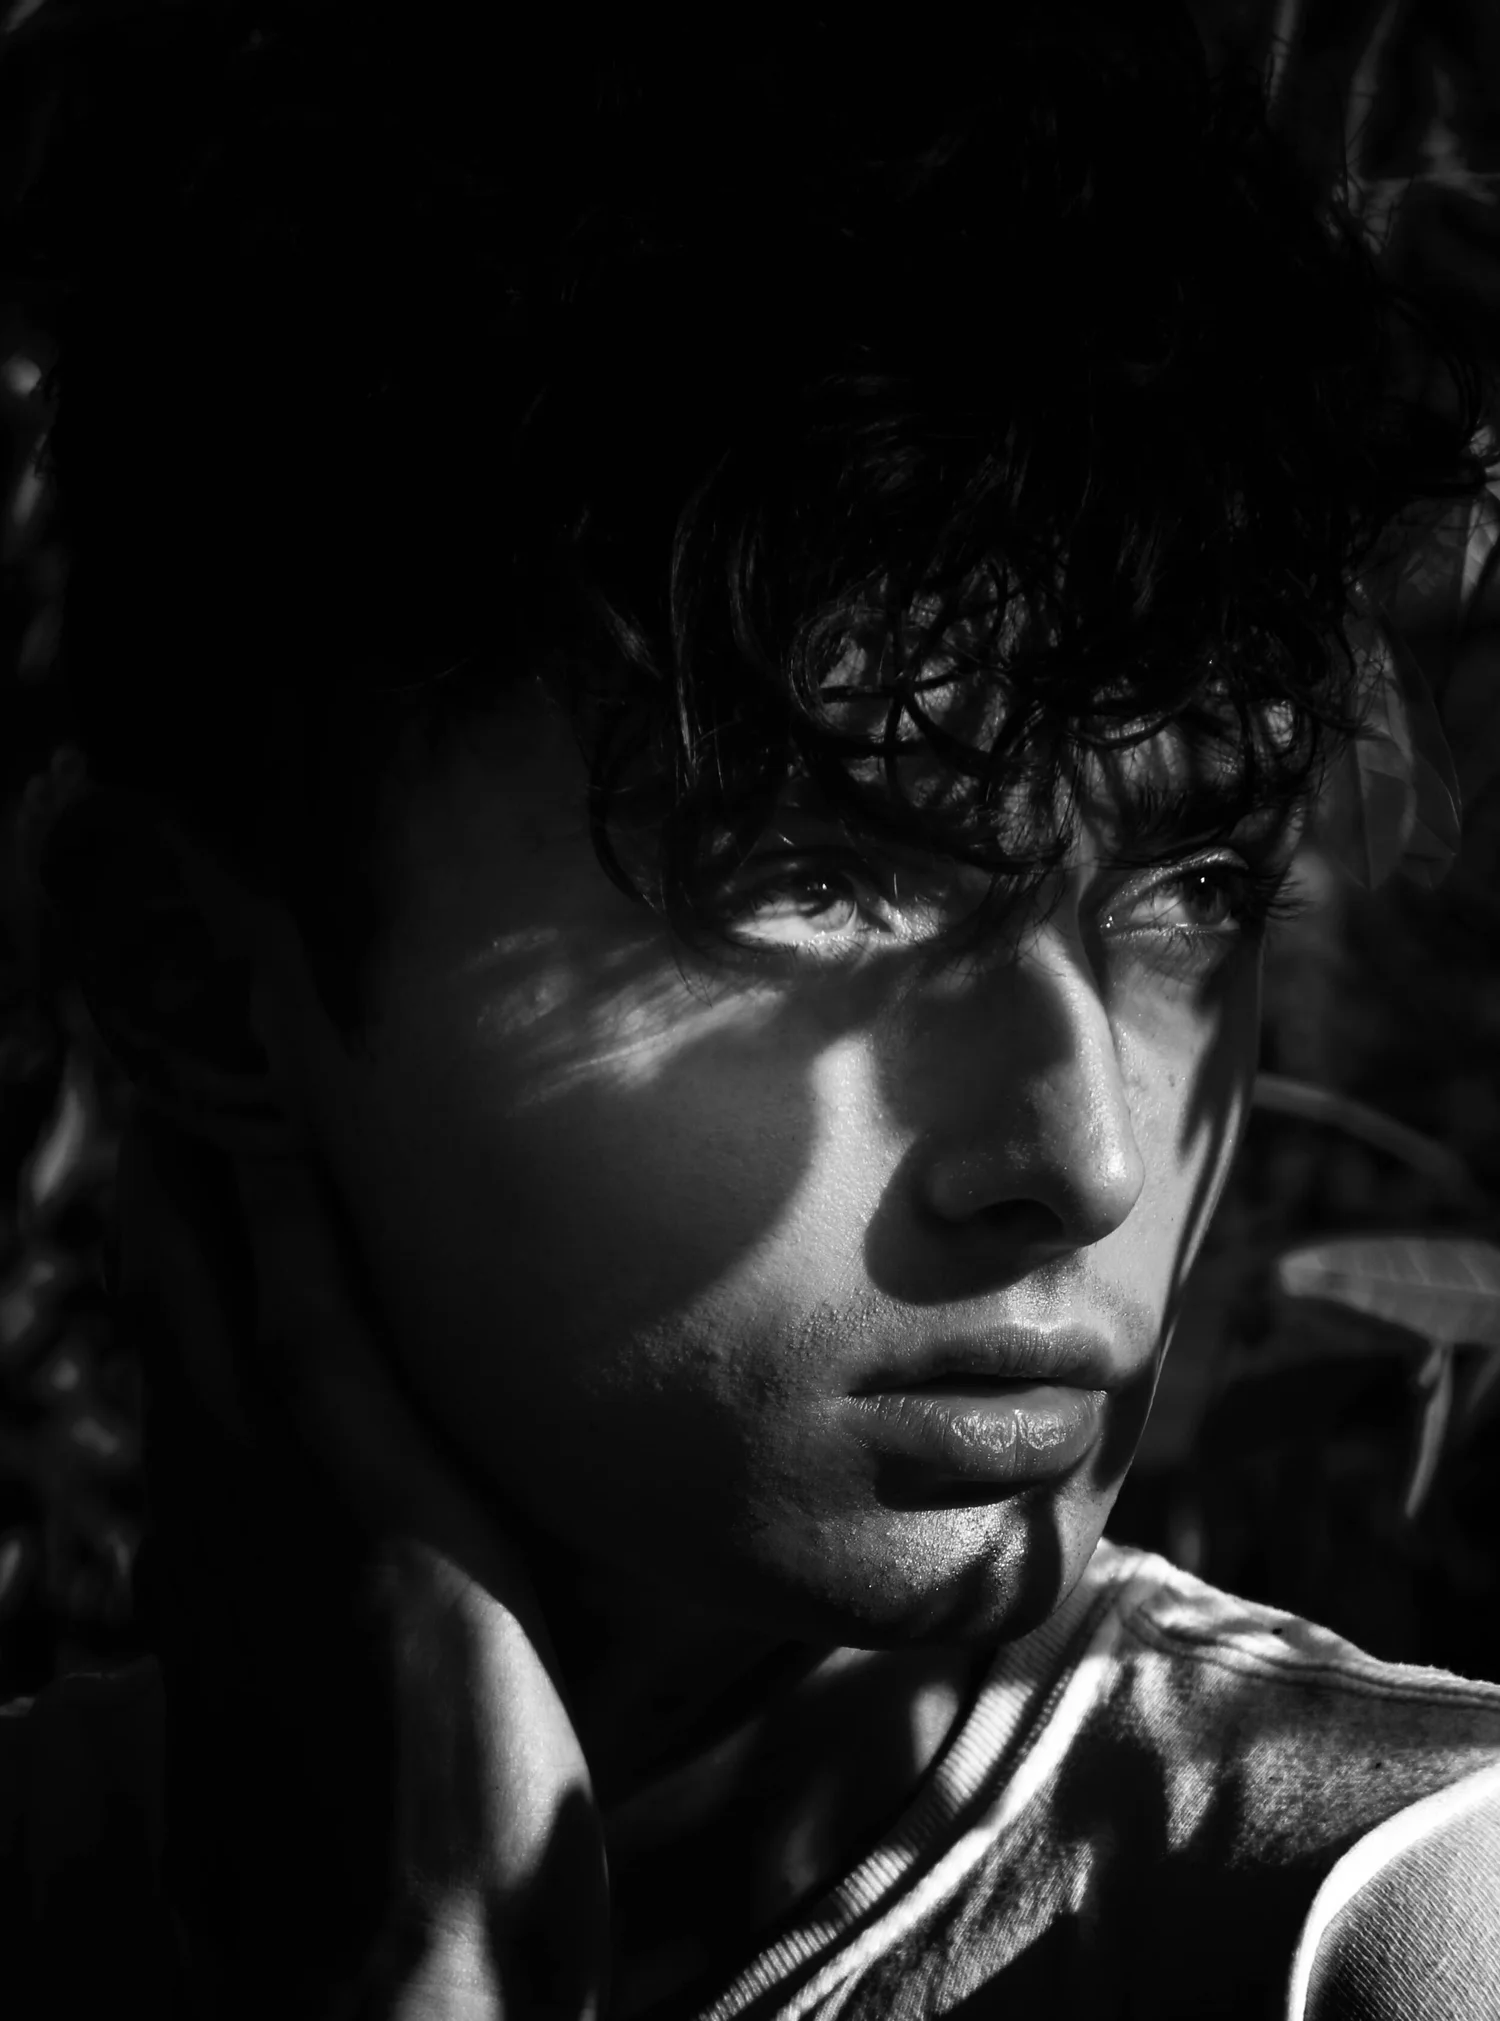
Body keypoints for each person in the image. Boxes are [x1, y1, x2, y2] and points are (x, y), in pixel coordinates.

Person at [3, 3, 1500, 2016]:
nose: (1086, 1154)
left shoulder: (1391, 1923)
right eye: (816, 877)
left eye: (1195, 885)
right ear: (194, 980)